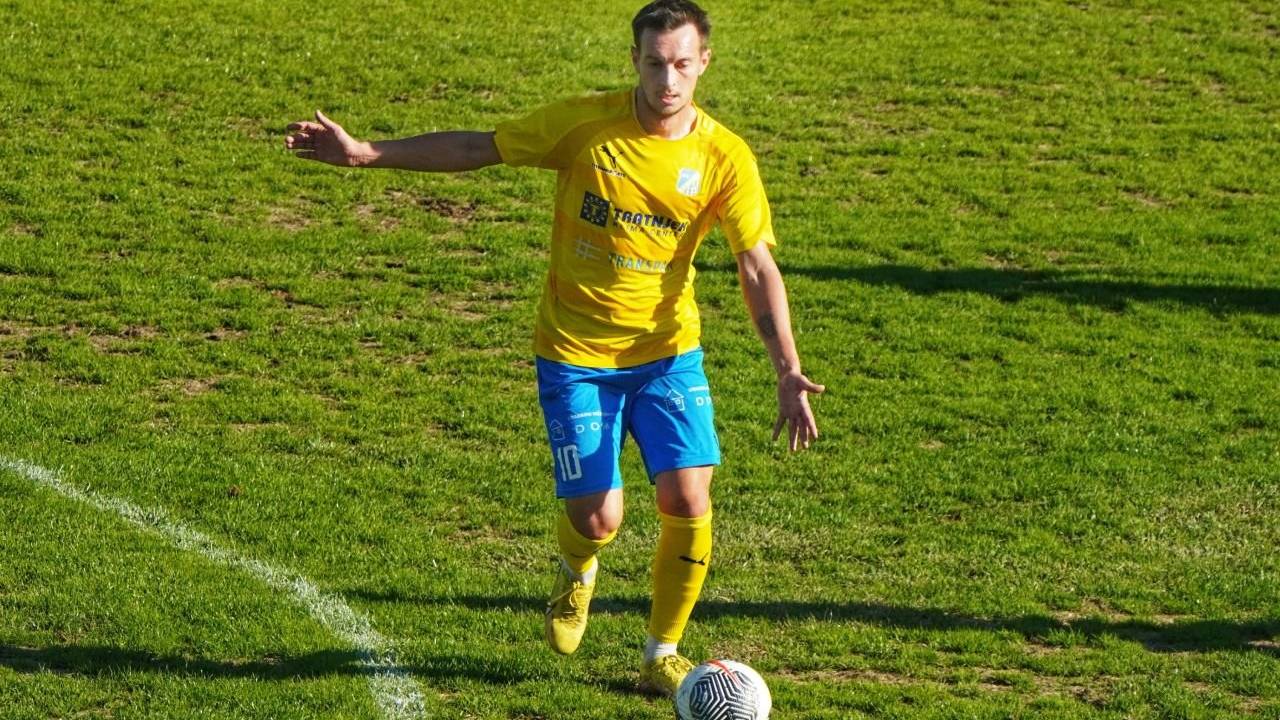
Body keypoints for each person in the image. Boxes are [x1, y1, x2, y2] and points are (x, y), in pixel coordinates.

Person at [284, 0, 822, 697]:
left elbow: (755, 265)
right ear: (634, 60)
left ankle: (662, 653)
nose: (667, 81)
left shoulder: (724, 157)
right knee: (598, 516)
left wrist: (787, 368)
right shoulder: (584, 126)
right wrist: (366, 153)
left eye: (682, 65)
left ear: (704, 64)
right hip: (575, 355)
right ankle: (576, 569)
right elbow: (479, 148)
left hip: (667, 354)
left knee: (690, 498)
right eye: (654, 63)